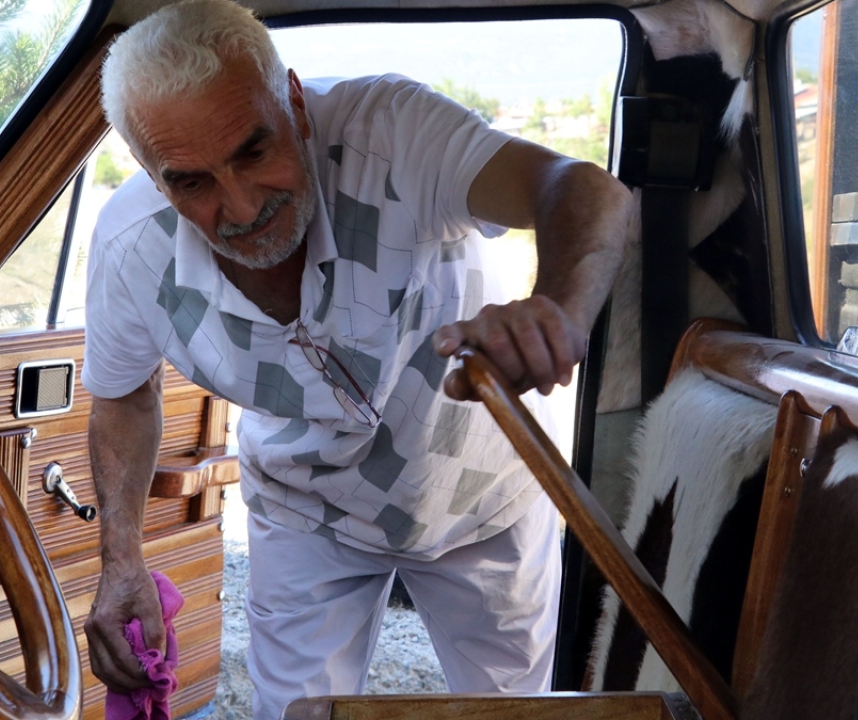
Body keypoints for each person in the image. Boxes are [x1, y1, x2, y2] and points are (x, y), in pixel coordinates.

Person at [80, 0, 632, 716]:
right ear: (151, 174)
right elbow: (123, 394)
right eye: (192, 181)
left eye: (254, 152)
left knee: (513, 713)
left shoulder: (393, 132)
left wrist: (556, 307)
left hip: (480, 492)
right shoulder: (128, 248)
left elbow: (580, 189)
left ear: (296, 105)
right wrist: (121, 559)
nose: (241, 207)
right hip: (304, 509)